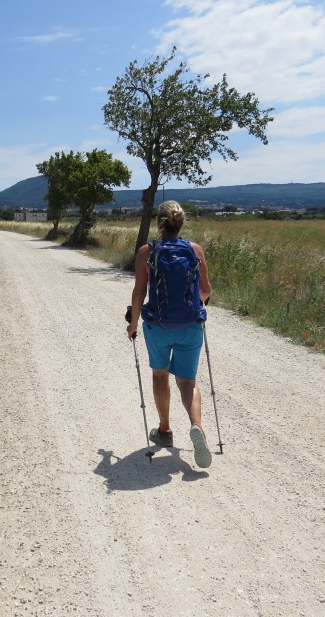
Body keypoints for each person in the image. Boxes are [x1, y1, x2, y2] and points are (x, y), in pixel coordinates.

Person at [126, 200, 213, 469]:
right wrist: (195, 306)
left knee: (160, 375)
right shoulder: (194, 250)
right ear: (182, 222)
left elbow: (139, 292)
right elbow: (205, 290)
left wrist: (133, 324)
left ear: (158, 223)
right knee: (187, 382)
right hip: (190, 326)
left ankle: (164, 429)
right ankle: (197, 426)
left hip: (158, 326)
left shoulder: (147, 252)